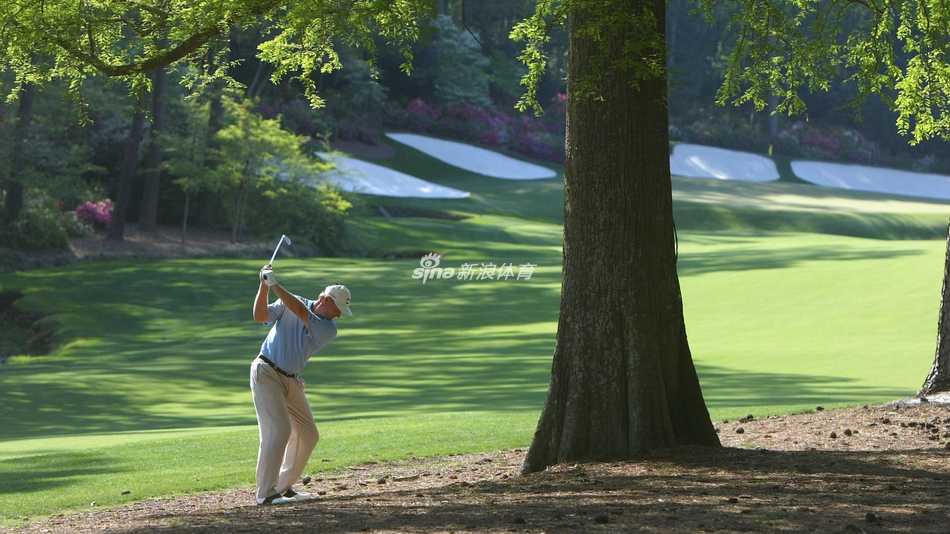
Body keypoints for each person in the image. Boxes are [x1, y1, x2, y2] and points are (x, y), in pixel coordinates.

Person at [250, 263, 352, 505]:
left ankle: (283, 486)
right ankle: (265, 494)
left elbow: (300, 311)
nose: (339, 314)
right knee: (279, 430)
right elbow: (260, 316)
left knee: (308, 433)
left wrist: (275, 284)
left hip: (292, 379)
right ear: (325, 300)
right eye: (338, 308)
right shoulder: (290, 301)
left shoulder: (328, 329)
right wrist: (263, 287)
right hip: (266, 372)